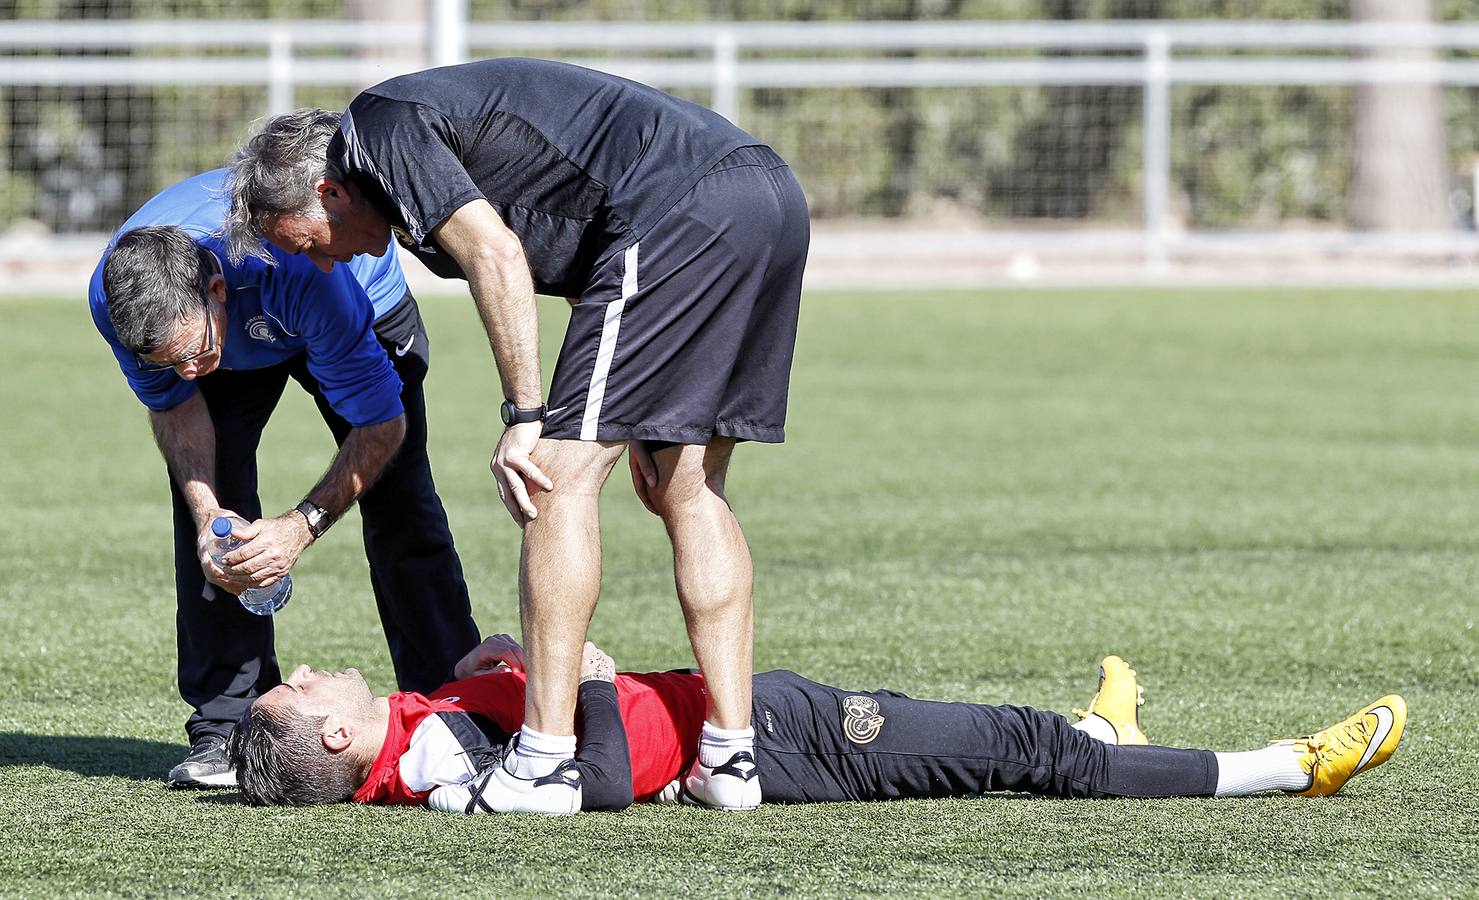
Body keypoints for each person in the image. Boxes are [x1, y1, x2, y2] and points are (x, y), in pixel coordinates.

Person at [223, 60, 810, 812]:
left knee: (552, 481)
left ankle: (542, 759)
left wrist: (526, 418)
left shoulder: (378, 126)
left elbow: (499, 255)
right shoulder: (409, 193)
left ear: (326, 191)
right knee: (686, 487)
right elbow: (584, 258)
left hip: (682, 209)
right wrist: (633, 395)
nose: (316, 259)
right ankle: (729, 761)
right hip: (765, 196)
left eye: (301, 241)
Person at [88, 167, 481, 788]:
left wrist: (301, 527)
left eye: (195, 352)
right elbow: (174, 404)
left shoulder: (301, 272)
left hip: (351, 306)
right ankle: (227, 727)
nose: (190, 372)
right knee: (218, 525)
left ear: (217, 288)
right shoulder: (119, 301)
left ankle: (453, 708)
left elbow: (381, 427)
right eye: (171, 361)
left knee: (398, 497)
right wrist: (208, 520)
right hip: (240, 319)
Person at [227, 636, 1407, 812]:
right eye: (309, 691)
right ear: (337, 740)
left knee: (1000, 734)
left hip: (737, 712)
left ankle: (1099, 737)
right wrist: (583, 680)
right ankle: (1290, 770)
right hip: (758, 742)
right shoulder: (433, 762)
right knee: (1015, 757)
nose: (323, 670)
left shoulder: (418, 731)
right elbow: (595, 784)